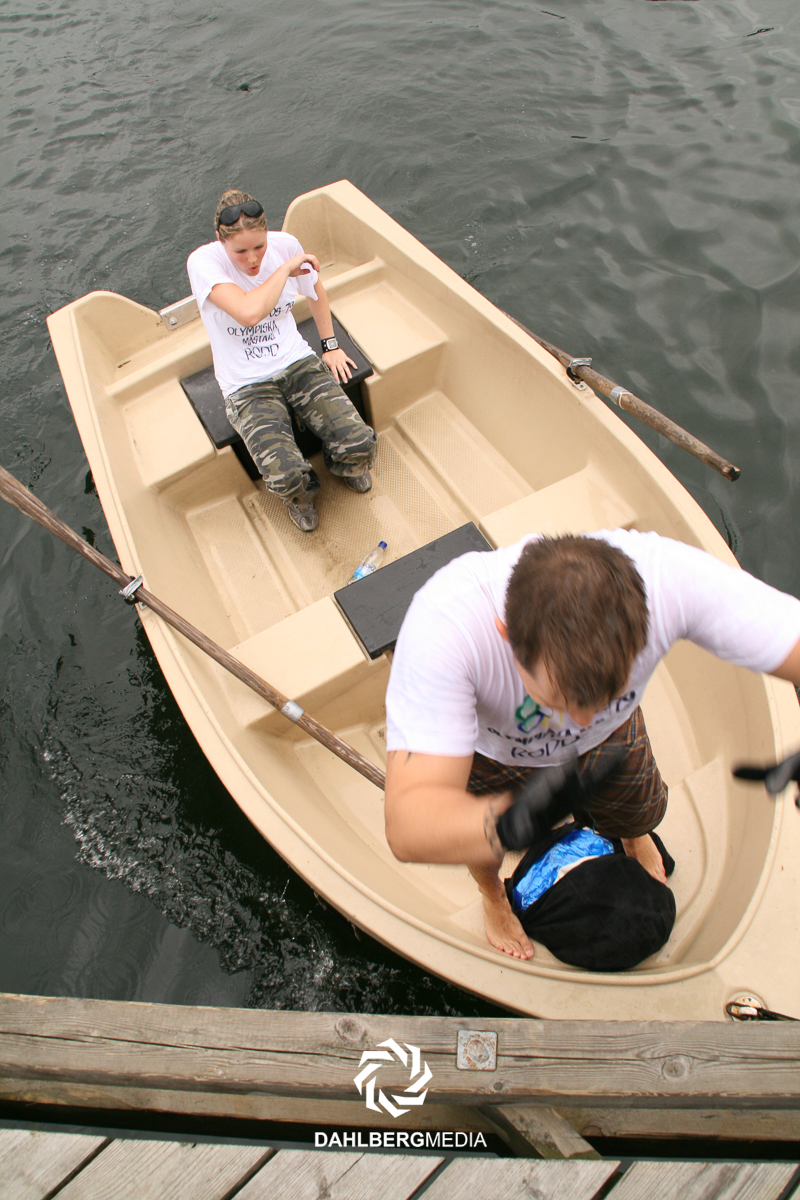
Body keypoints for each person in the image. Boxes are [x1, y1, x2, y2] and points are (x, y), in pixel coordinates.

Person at [384, 529, 800, 961]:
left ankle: (632, 835)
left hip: (613, 734)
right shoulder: (446, 630)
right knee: (480, 844)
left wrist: (598, 709)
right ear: (508, 637)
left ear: (646, 626)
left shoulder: (669, 582)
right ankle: (492, 895)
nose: (579, 723)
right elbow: (405, 824)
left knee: (639, 808)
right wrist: (501, 825)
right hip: (494, 750)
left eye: (603, 695)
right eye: (560, 698)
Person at [187, 190, 377, 532]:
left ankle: (342, 465)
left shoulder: (285, 245)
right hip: (246, 385)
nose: (252, 259)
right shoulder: (203, 263)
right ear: (220, 239)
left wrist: (330, 345)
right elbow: (248, 312)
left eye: (259, 247)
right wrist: (286, 268)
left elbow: (314, 289)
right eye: (240, 251)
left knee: (360, 443)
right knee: (285, 476)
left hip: (296, 363)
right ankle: (301, 498)